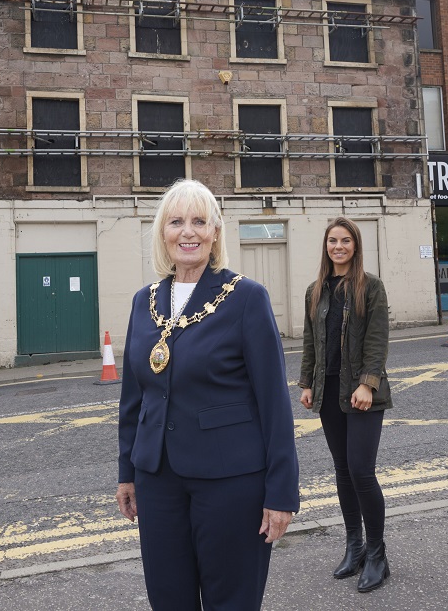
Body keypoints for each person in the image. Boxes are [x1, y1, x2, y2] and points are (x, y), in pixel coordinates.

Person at [116, 179, 300, 610]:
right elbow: (133, 400)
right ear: (163, 232)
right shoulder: (144, 301)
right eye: (177, 222)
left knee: (231, 601)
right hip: (157, 480)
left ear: (216, 232)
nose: (188, 232)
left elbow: (274, 402)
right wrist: (128, 471)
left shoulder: (246, 297)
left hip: (231, 482)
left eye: (200, 221)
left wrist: (281, 493)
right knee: (169, 599)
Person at [298, 217, 392, 593]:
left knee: (361, 472)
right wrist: (306, 382)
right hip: (328, 391)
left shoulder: (371, 287)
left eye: (345, 241)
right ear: (326, 246)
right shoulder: (315, 290)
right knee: (342, 470)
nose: (338, 246)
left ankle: (377, 554)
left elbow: (377, 339)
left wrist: (368, 384)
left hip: (361, 393)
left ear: (355, 246)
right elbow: (310, 341)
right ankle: (354, 546)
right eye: (333, 241)